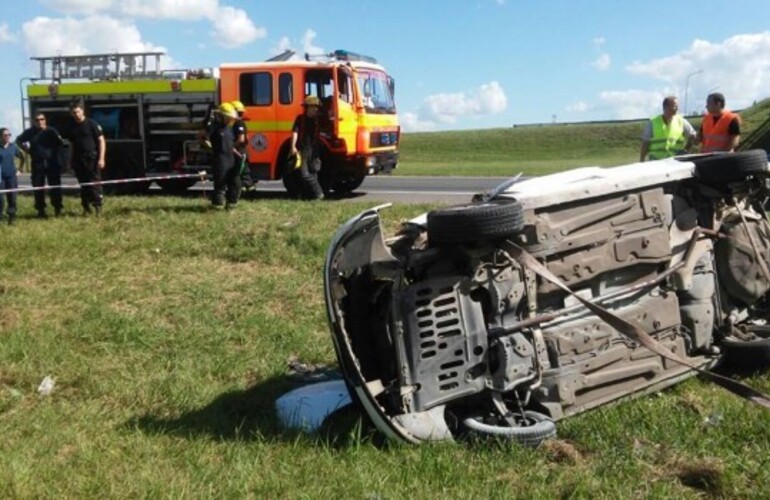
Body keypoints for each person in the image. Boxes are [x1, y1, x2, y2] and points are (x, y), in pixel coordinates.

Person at [17, 112, 66, 218]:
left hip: (52, 163)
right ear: (34, 122)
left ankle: (57, 208)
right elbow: (18, 140)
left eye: (42, 119)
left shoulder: (52, 131)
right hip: (37, 163)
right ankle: (41, 210)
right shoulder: (30, 132)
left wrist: (60, 161)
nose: (40, 121)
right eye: (37, 120)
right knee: (38, 187)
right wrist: (27, 150)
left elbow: (61, 145)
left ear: (45, 120)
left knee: (55, 187)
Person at [66, 100, 106, 216]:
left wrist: (101, 158)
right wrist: (69, 161)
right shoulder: (72, 127)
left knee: (95, 184)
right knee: (83, 185)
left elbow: (101, 141)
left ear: (82, 111)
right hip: (79, 160)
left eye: (78, 112)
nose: (76, 114)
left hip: (92, 159)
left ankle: (98, 208)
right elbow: (71, 145)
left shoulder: (91, 124)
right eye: (74, 113)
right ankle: (86, 207)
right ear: (71, 113)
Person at [639, 96, 696, 162]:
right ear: (665, 107)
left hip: (675, 162)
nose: (677, 108)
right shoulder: (653, 122)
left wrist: (685, 150)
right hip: (656, 162)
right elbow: (645, 143)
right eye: (675, 106)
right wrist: (642, 160)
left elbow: (693, 135)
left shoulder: (681, 121)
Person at [290, 95, 324, 200]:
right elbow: (295, 132)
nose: (316, 109)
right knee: (304, 173)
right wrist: (293, 147)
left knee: (314, 172)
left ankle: (310, 196)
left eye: (316, 107)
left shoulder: (319, 120)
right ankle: (319, 193)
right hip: (303, 149)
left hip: (315, 149)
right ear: (307, 107)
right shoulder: (300, 119)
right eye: (313, 107)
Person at [209, 102, 241, 209]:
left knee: (235, 183)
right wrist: (210, 147)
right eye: (228, 118)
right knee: (220, 184)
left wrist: (236, 152)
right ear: (222, 116)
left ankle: (231, 204)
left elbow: (229, 144)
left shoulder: (229, 129)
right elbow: (201, 136)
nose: (230, 120)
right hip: (220, 160)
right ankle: (217, 206)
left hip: (230, 159)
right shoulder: (214, 128)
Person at [0, 128, 25, 225]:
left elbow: (22, 158)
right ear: (0, 136)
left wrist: (20, 170)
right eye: (5, 135)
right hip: (0, 178)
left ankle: (11, 217)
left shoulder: (13, 147)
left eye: (9, 135)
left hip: (11, 177)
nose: (8, 137)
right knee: (0, 199)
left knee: (12, 198)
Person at [231, 101, 253, 192]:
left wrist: (232, 145)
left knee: (241, 173)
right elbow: (246, 138)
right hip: (242, 151)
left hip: (239, 152)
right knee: (243, 173)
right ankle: (246, 191)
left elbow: (241, 139)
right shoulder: (241, 123)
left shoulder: (238, 124)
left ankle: (248, 192)